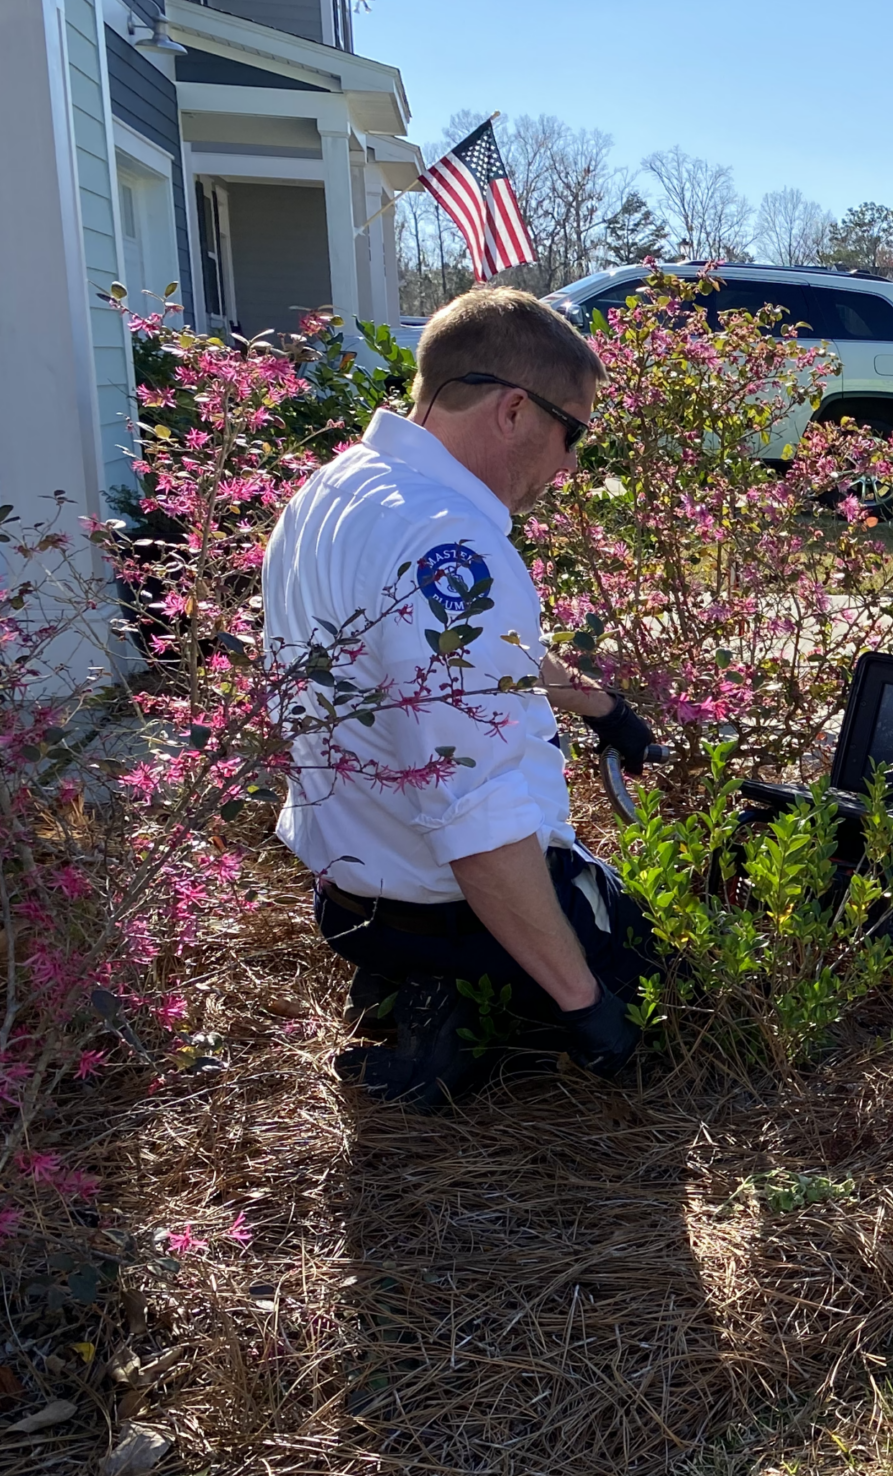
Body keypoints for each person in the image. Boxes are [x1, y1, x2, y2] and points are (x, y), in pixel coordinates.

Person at [262, 286, 660, 1108]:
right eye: (571, 431)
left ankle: (411, 982)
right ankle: (451, 1002)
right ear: (515, 409)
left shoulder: (336, 491)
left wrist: (603, 709)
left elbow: (455, 658)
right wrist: (588, 1007)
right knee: (655, 975)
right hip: (438, 902)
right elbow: (475, 817)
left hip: (348, 892)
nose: (570, 462)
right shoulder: (453, 541)